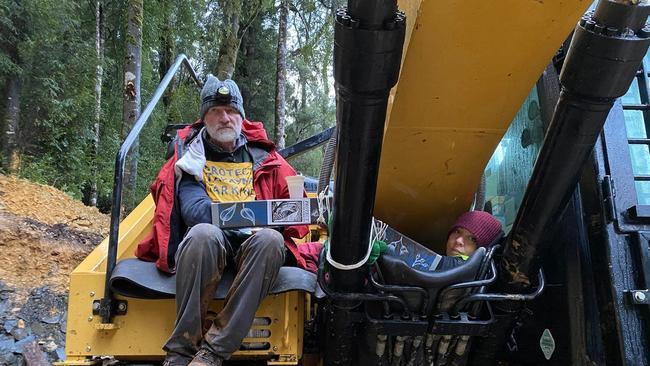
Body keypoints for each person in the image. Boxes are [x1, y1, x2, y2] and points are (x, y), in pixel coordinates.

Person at [136, 75, 308, 366]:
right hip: (207, 249)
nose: (225, 118)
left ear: (241, 117)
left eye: (231, 111)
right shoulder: (190, 159)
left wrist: (296, 209)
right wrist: (259, 215)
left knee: (270, 239)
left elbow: (297, 215)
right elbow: (195, 211)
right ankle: (181, 351)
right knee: (203, 232)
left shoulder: (267, 159)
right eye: (216, 111)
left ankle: (212, 353)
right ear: (204, 118)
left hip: (253, 248)